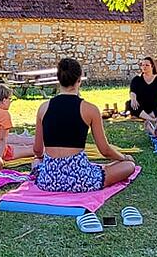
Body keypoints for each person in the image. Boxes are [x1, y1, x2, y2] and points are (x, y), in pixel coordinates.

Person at [33, 57, 135, 192]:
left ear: (59, 80)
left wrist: (46, 162)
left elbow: (37, 150)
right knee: (129, 166)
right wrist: (124, 157)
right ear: (79, 80)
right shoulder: (90, 109)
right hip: (80, 179)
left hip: (48, 180)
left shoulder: (43, 108)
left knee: (35, 162)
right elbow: (104, 150)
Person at [0, 84, 35, 161]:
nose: (10, 102)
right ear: (4, 101)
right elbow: (2, 139)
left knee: (19, 144)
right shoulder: (4, 114)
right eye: (10, 99)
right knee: (31, 149)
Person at [127, 56, 157, 132]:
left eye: (147, 65)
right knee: (129, 104)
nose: (144, 67)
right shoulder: (137, 79)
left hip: (155, 105)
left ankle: (149, 117)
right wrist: (133, 99)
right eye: (143, 65)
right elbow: (132, 91)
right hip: (142, 105)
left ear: (152, 66)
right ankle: (152, 119)